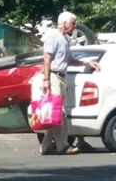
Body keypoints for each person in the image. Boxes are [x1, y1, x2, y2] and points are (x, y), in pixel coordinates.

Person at [39, 11, 100, 155]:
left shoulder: (65, 39)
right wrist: (46, 80)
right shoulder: (53, 38)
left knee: (53, 113)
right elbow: (47, 59)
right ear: (65, 23)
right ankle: (63, 146)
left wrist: (86, 62)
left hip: (62, 78)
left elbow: (69, 60)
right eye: (73, 23)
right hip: (53, 77)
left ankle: (46, 147)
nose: (75, 26)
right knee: (59, 113)